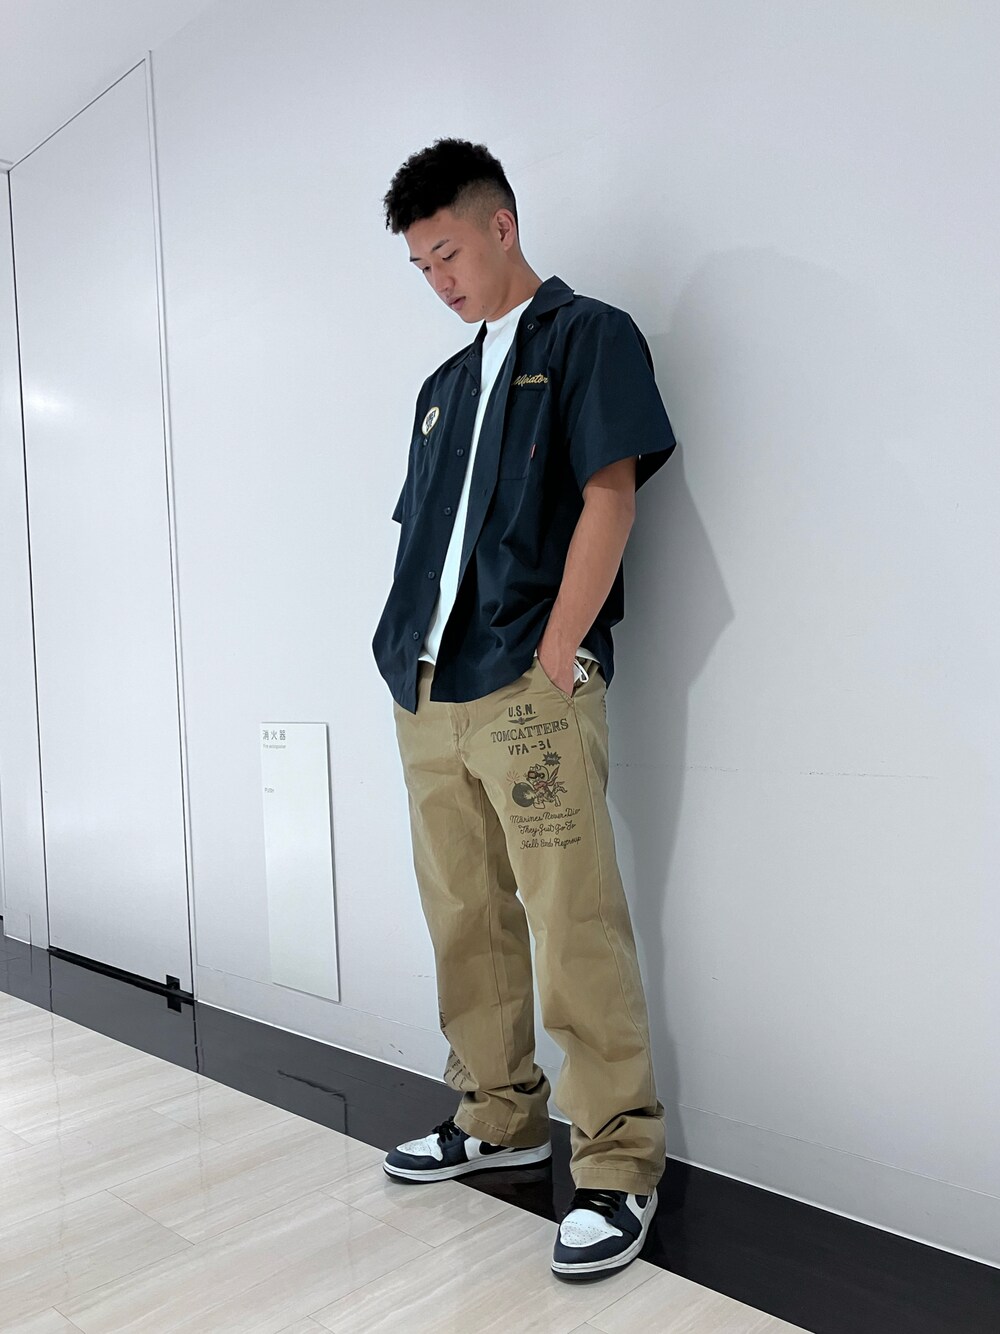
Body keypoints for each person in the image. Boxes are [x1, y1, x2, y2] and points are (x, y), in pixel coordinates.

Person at [372, 138, 677, 1280]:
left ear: (501, 224)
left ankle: (617, 1162)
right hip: (428, 689)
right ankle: (496, 1114)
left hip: (529, 686)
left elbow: (611, 496)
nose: (438, 280)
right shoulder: (441, 390)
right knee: (464, 914)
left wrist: (558, 652)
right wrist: (402, 661)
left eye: (447, 252)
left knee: (571, 919)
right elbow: (426, 539)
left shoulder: (588, 336)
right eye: (420, 267)